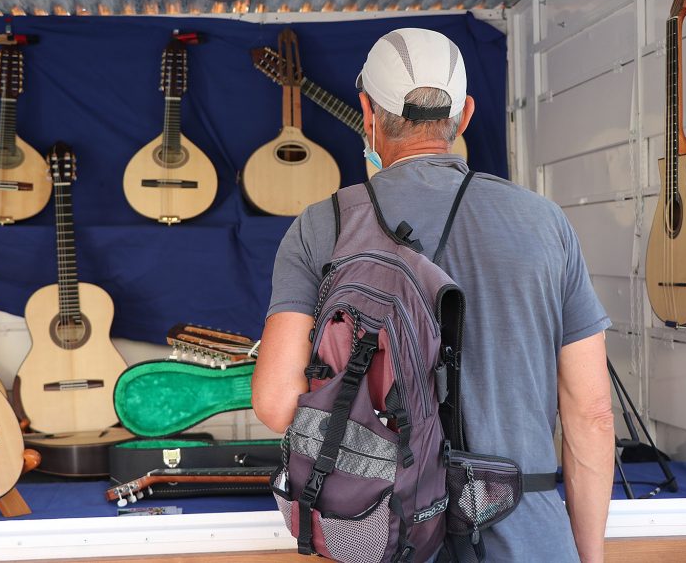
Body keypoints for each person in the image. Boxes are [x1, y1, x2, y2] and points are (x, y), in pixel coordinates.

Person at [252, 28, 615, 562]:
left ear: (367, 113)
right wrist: (586, 554)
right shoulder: (544, 222)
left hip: (389, 533)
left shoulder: (322, 226)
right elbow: (592, 414)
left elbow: (277, 403)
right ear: (465, 115)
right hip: (528, 535)